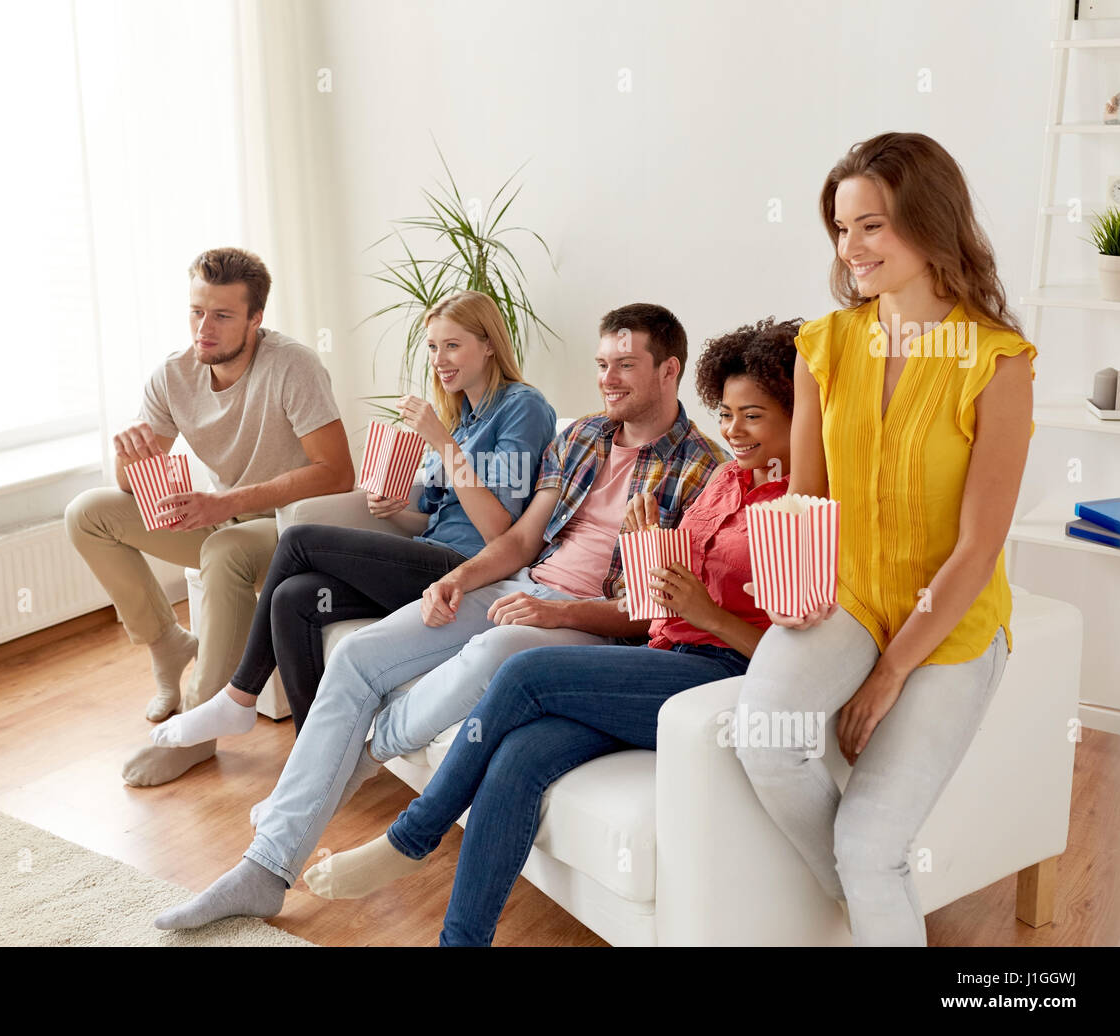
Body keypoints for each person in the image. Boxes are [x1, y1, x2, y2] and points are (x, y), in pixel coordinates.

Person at [151, 302, 728, 929]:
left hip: (584, 627)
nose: (608, 379)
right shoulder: (583, 435)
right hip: (519, 583)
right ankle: (263, 870)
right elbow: (521, 540)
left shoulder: (704, 471)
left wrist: (554, 613)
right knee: (354, 655)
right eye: (601, 365)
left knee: (493, 653)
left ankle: (367, 747)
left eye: (626, 366)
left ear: (669, 370)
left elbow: (652, 614)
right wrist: (456, 578)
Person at [301, 317, 801, 945]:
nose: (733, 431)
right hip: (659, 652)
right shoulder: (727, 479)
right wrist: (647, 552)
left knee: (522, 670)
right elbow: (655, 599)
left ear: (800, 419)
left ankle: (413, 835)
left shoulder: (800, 507)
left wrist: (706, 615)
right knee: (517, 758)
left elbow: (790, 653)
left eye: (752, 416)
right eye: (727, 413)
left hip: (713, 675)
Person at [734, 132, 1036, 946]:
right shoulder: (823, 347)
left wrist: (890, 675)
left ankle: (874, 883)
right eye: (841, 228)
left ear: (931, 224)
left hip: (952, 618)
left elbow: (978, 548)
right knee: (763, 736)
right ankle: (875, 903)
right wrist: (788, 584)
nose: (851, 248)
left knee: (872, 845)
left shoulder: (998, 363)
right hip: (851, 594)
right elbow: (808, 496)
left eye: (872, 225)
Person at [147, 289, 557, 744]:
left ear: (489, 344)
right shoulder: (461, 416)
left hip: (472, 572)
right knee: (294, 598)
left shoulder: (522, 407)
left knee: (300, 539)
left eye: (453, 345)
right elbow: (437, 519)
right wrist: (396, 513)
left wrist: (441, 442)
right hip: (429, 557)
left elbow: (499, 531)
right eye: (433, 347)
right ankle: (317, 749)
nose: (440, 359)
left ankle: (239, 696)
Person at [64, 247, 354, 787]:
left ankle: (199, 732)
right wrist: (130, 459)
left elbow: (337, 473)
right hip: (226, 515)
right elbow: (134, 485)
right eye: (197, 312)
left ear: (255, 320)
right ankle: (166, 642)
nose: (205, 328)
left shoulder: (293, 367)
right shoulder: (173, 376)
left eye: (222, 315)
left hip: (294, 524)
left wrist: (228, 504)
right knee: (89, 513)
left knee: (224, 549)